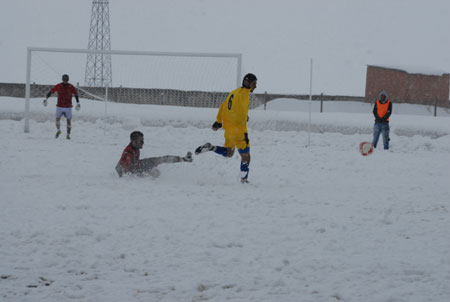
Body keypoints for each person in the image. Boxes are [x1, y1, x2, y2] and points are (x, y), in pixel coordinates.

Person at [195, 73, 257, 183]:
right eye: (253, 83)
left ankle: (211, 148)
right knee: (246, 156)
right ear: (247, 82)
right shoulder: (245, 95)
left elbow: (223, 106)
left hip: (229, 129)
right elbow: (241, 112)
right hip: (239, 130)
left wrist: (218, 122)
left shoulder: (234, 92)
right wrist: (244, 124)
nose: (255, 86)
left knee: (229, 153)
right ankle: (244, 180)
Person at [116, 131, 193, 177]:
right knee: (156, 171)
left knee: (160, 159)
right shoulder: (128, 153)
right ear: (133, 141)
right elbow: (120, 168)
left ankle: (183, 159)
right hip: (136, 169)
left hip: (138, 165)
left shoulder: (135, 148)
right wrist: (144, 173)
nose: (143, 143)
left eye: (143, 140)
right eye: (141, 141)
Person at [43, 74, 80, 139]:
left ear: (68, 80)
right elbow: (51, 91)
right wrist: (46, 99)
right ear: (62, 80)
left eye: (66, 80)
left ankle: (68, 135)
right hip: (59, 106)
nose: (65, 81)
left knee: (68, 121)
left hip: (68, 107)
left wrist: (78, 103)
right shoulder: (58, 86)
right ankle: (58, 130)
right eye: (64, 80)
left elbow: (76, 94)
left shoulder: (71, 86)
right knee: (57, 119)